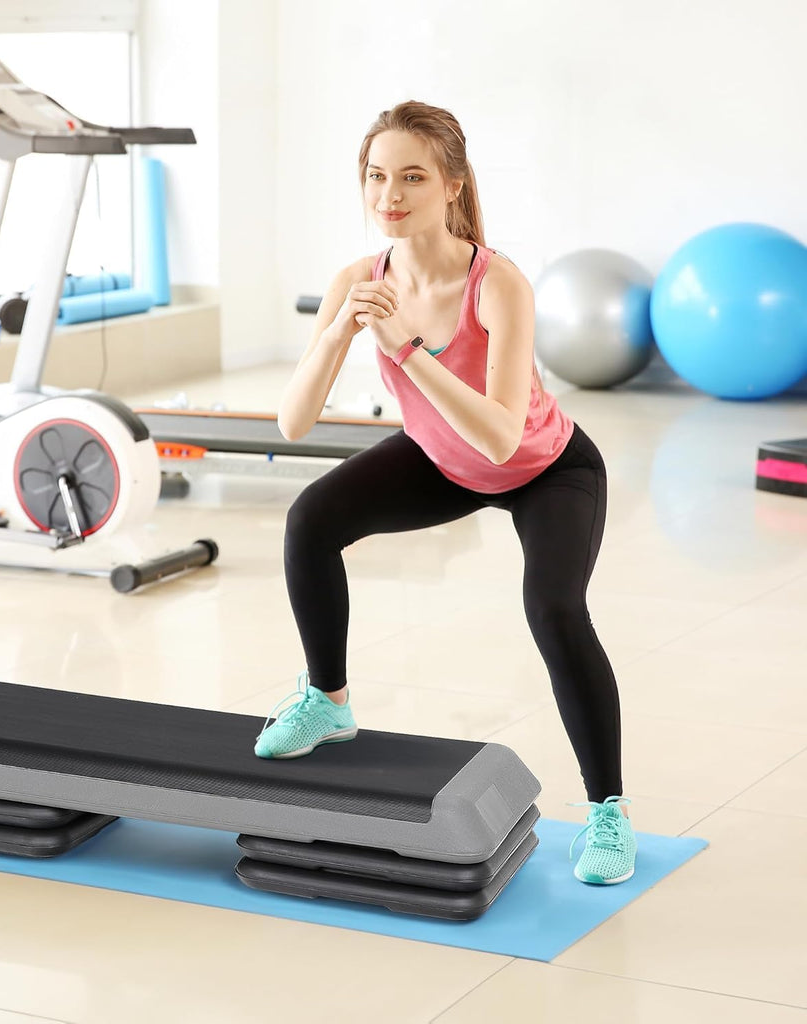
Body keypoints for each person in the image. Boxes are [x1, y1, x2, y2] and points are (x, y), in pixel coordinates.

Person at [254, 100, 636, 886]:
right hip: (440, 457)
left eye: (412, 177)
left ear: (453, 186)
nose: (389, 195)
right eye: (375, 177)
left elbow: (500, 436)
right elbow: (293, 423)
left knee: (556, 609)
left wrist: (408, 347)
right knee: (310, 519)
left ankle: (608, 811)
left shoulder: (498, 284)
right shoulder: (359, 280)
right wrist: (338, 333)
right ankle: (328, 700)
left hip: (545, 467)